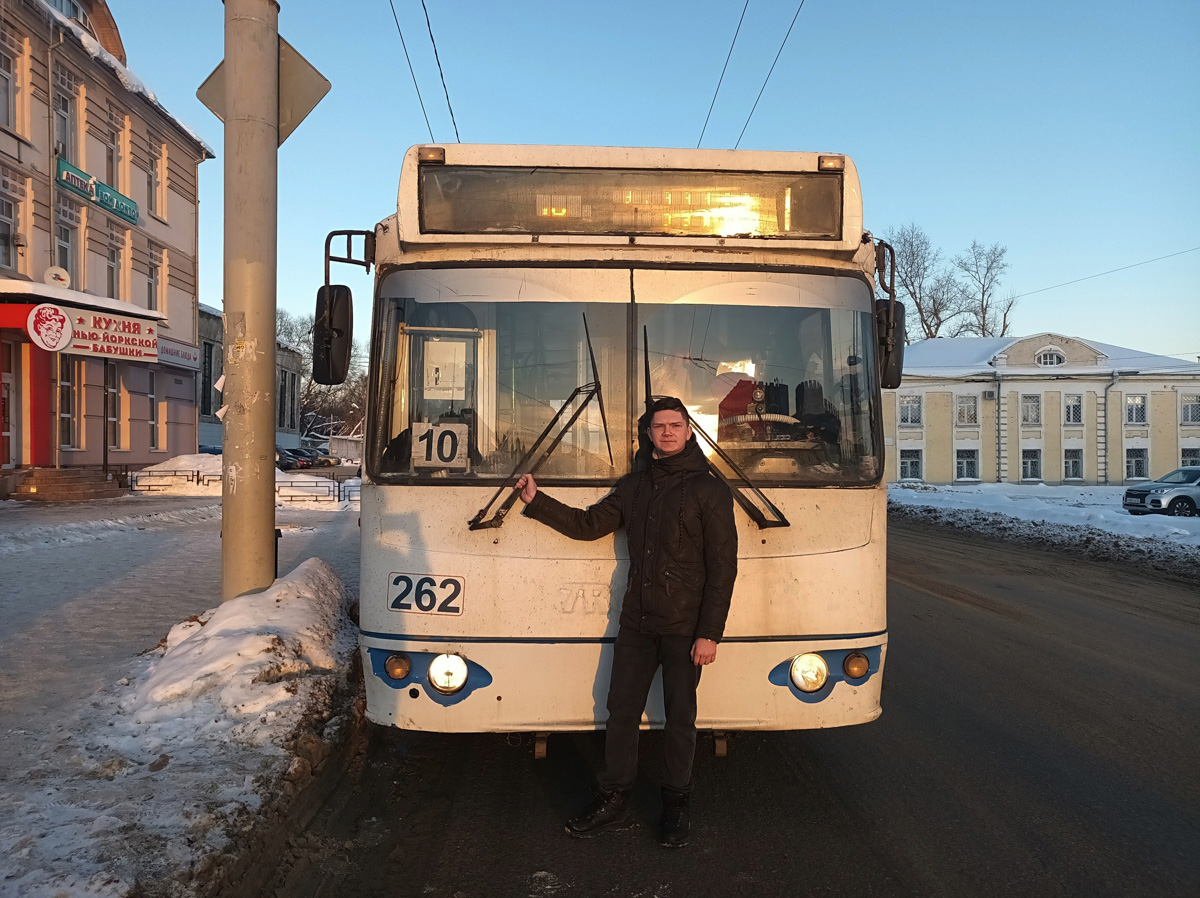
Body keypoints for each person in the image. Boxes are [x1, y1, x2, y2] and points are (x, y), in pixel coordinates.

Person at [513, 397, 737, 848]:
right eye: (659, 426)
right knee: (620, 714)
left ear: (688, 431)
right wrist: (538, 501)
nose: (668, 432)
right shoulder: (634, 486)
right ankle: (613, 799)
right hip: (637, 623)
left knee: (681, 718)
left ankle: (676, 804)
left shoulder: (710, 490)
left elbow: (723, 568)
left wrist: (709, 633)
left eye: (675, 425)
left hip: (685, 628)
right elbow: (588, 525)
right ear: (648, 434)